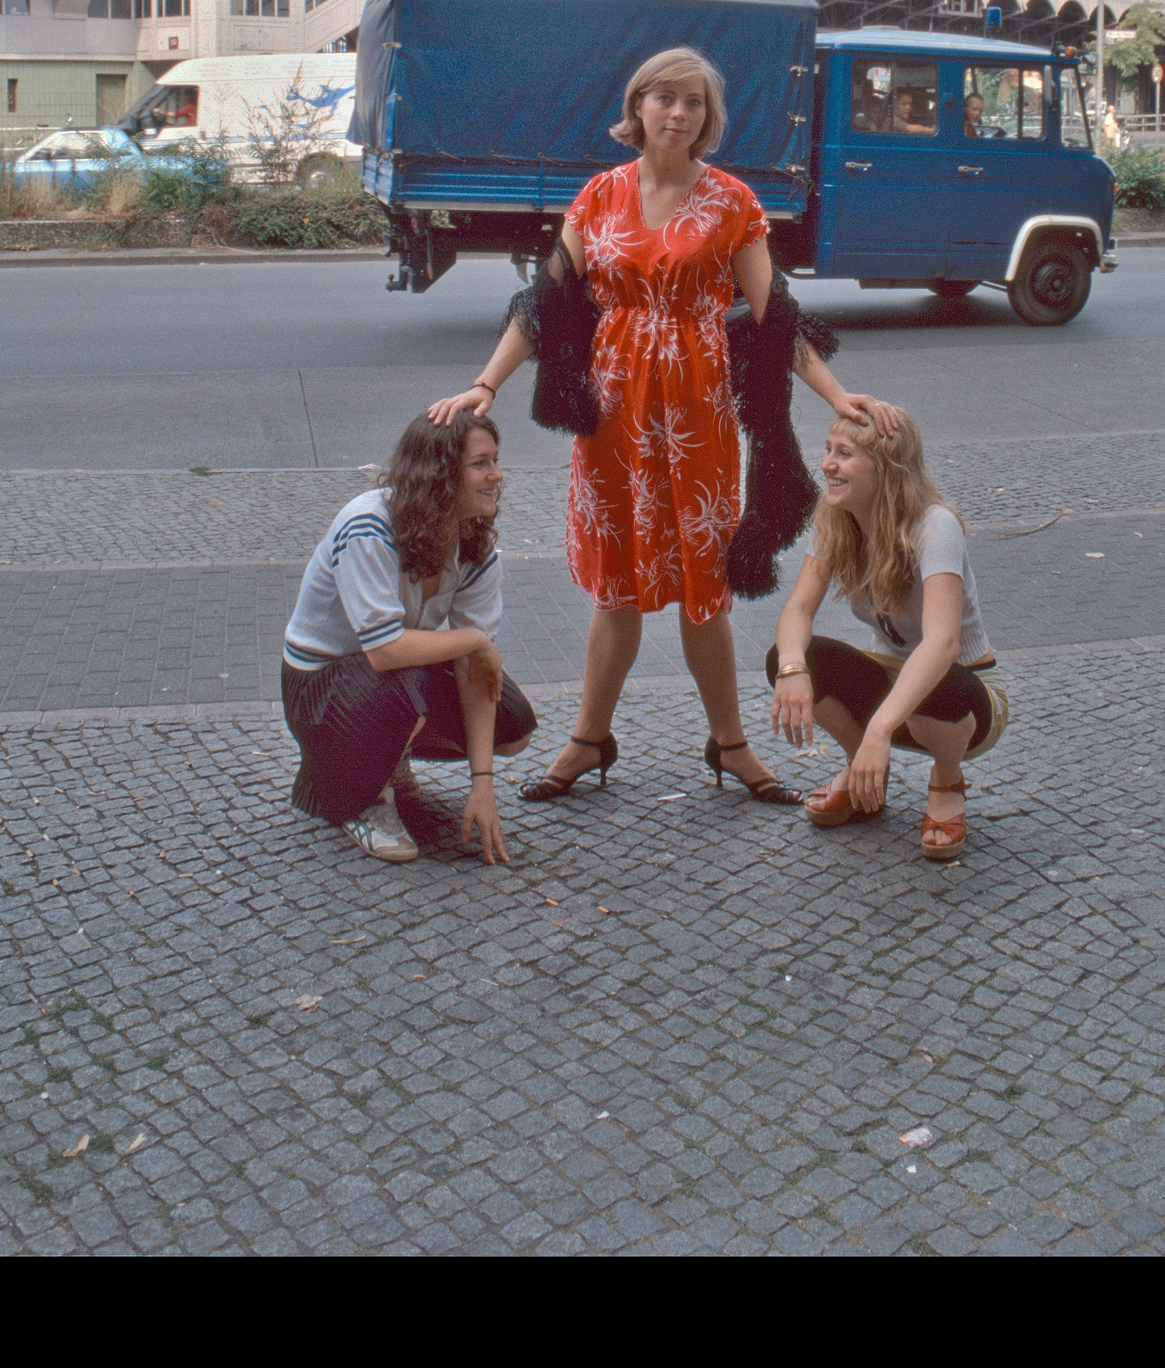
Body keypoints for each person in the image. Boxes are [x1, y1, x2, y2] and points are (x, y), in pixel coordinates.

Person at [430, 46, 897, 807]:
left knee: (701, 590)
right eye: (664, 98)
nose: (678, 113)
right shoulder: (598, 196)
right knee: (614, 590)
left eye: (693, 102)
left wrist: (837, 394)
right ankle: (588, 738)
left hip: (696, 419)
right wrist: (485, 383)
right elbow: (546, 306)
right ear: (638, 107)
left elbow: (775, 317)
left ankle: (730, 742)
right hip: (613, 423)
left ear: (707, 119)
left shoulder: (732, 201)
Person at [281, 412, 534, 864]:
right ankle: (362, 798)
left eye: (496, 461)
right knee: (405, 676)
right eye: (481, 464)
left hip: (388, 677)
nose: (497, 475)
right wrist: (475, 641)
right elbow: (384, 651)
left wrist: (483, 782)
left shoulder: (473, 544)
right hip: (319, 690)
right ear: (440, 473)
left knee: (512, 726)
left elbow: (474, 671)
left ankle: (384, 754)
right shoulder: (369, 525)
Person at [766, 409, 1007, 861]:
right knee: (793, 656)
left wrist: (880, 727)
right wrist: (792, 667)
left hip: (966, 695)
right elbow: (797, 610)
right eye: (828, 451)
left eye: (845, 454)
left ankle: (947, 780)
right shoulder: (839, 521)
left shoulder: (935, 525)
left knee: (936, 681)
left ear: (886, 468)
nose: (827, 465)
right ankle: (864, 773)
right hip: (893, 684)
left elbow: (942, 645)